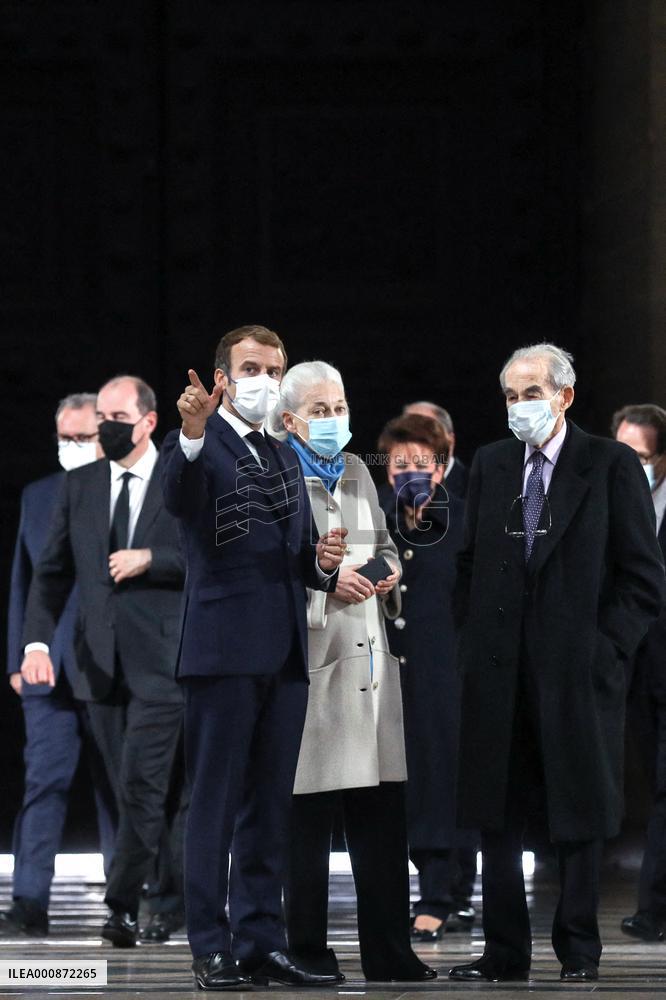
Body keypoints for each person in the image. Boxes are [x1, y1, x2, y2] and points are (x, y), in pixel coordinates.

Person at [448, 343, 665, 983]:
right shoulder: (490, 464)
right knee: (497, 813)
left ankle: (578, 949)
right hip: (498, 669)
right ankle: (504, 951)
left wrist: (606, 651)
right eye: (511, 396)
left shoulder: (610, 464)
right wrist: (474, 642)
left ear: (564, 396)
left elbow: (642, 578)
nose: (520, 407)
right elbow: (466, 564)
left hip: (577, 672)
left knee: (578, 813)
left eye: (531, 394)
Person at [161, 326, 346, 991]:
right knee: (213, 804)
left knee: (269, 808)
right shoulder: (199, 442)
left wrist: (322, 567)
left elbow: (296, 558)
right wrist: (187, 433)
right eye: (251, 367)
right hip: (221, 653)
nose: (264, 378)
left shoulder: (283, 453)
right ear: (221, 376)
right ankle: (211, 945)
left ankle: (262, 940)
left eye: (274, 367)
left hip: (284, 654)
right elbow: (177, 501)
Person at [271, 362, 435, 983]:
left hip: (372, 664)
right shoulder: (276, 478)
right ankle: (308, 952)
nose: (334, 419)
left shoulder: (360, 471)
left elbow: (386, 547)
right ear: (289, 421)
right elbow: (270, 574)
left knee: (382, 823)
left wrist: (389, 575)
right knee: (307, 828)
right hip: (312, 669)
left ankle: (391, 954)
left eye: (338, 406)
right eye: (319, 410)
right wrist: (322, 582)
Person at [20, 376, 186, 947]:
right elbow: (51, 574)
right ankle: (163, 896)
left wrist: (152, 559)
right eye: (103, 418)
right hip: (98, 664)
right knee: (128, 790)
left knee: (147, 785)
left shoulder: (178, 476)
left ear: (147, 421)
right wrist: (36, 643)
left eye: (117, 417)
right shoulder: (82, 485)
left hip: (164, 663)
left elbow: (205, 556)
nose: (106, 428)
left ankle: (133, 905)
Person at [1, 394, 116, 938]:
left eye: (82, 438)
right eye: (63, 439)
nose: (72, 448)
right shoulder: (38, 495)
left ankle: (126, 901)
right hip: (46, 670)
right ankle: (28, 901)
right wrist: (20, 655)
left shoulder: (126, 491)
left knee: (119, 789)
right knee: (43, 782)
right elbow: (24, 582)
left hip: (112, 668)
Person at [378, 413, 478, 941]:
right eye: (400, 464)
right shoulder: (374, 518)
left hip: (444, 670)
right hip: (385, 668)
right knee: (394, 785)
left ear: (440, 467)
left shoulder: (463, 519)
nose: (410, 471)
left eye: (421, 463)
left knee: (441, 780)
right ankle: (399, 891)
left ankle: (441, 893)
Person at [612, 404, 666, 941]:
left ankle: (653, 908)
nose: (632, 465)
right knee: (654, 783)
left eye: (643, 457)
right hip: (635, 667)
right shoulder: (607, 500)